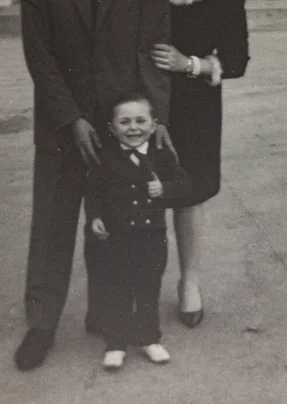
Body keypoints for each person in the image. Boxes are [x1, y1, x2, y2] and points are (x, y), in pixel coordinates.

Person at [15, 0, 172, 372]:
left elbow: (152, 50)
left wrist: (151, 119)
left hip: (125, 127)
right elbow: (40, 57)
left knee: (122, 225)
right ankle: (41, 323)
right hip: (63, 128)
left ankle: (106, 317)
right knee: (53, 224)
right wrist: (71, 119)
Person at [151, 0, 250, 328]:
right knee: (139, 189)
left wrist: (189, 64)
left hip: (196, 108)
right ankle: (136, 283)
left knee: (188, 193)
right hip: (142, 102)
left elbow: (237, 62)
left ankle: (189, 281)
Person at [86, 92, 193, 370]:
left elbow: (185, 184)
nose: (133, 128)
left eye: (140, 120)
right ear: (111, 128)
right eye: (124, 122)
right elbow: (94, 190)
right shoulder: (106, 157)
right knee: (118, 290)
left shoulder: (161, 155)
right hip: (117, 240)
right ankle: (116, 343)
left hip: (152, 239)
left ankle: (149, 339)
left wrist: (165, 189)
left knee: (148, 289)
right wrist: (94, 216)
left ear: (154, 123)